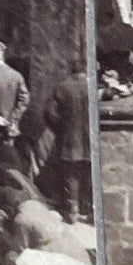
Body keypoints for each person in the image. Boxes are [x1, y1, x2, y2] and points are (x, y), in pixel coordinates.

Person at [45, 68, 92, 223]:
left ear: (71, 71)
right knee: (89, 172)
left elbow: (50, 113)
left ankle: (73, 211)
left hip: (71, 139)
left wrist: (60, 129)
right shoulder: (92, 85)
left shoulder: (62, 87)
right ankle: (90, 209)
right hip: (90, 139)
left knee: (72, 175)